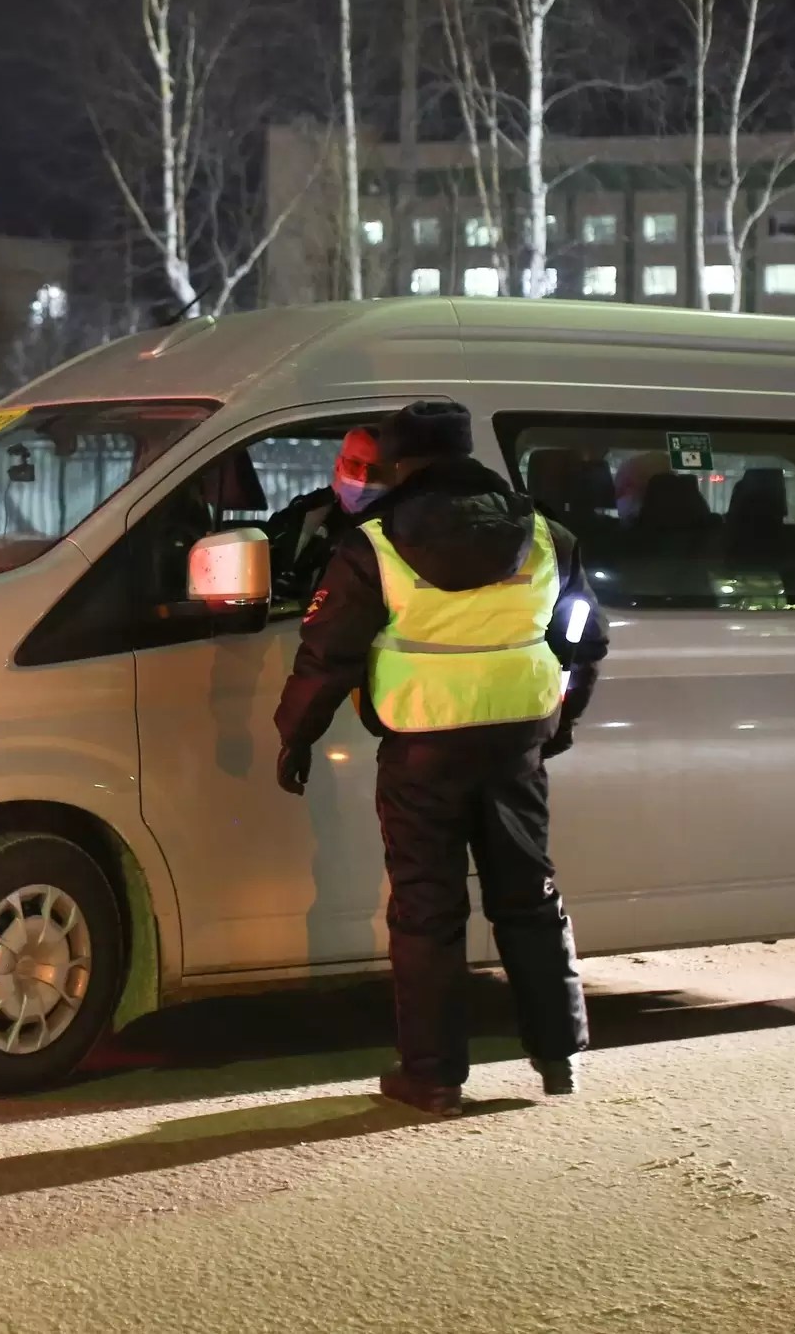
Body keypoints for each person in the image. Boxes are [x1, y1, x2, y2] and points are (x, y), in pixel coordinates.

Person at [271, 399, 607, 1117]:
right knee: (528, 895)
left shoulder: (374, 545)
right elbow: (583, 634)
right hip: (517, 740)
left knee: (427, 910)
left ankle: (432, 1077)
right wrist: (563, 715)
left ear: (400, 462)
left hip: (422, 747)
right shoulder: (546, 534)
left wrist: (295, 733)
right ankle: (558, 1056)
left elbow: (325, 654)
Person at [260, 426, 382, 605]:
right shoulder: (303, 515)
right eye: (354, 464)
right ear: (339, 466)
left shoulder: (407, 526)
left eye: (376, 470)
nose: (363, 478)